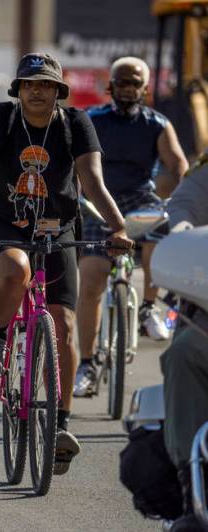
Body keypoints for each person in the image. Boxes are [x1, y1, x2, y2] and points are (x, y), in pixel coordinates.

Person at [0, 52, 132, 475]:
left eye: (46, 85)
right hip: (3, 222)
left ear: (58, 91)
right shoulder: (1, 118)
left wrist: (118, 227)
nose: (37, 91)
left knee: (64, 322)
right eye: (30, 84)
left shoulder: (76, 124)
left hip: (58, 227)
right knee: (15, 269)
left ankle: (59, 424)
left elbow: (92, 181)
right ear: (19, 89)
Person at [73, 57, 189, 398]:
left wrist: (182, 198)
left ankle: (149, 307)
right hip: (99, 203)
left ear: (145, 88)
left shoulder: (158, 124)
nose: (127, 88)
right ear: (110, 86)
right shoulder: (91, 120)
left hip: (141, 200)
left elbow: (179, 166)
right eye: (121, 82)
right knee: (92, 280)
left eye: (133, 83)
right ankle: (88, 363)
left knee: (158, 234)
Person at [160, 153, 208, 530]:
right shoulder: (205, 175)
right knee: (184, 352)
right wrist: (182, 231)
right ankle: (189, 491)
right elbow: (183, 205)